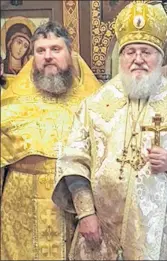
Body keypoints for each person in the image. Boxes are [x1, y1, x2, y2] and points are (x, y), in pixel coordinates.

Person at [51, 2, 167, 260]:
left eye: (146, 51)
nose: (138, 59)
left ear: (160, 58)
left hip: (157, 230)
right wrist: (85, 213)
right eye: (130, 52)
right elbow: (73, 159)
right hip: (101, 224)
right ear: (121, 57)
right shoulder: (93, 105)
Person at [0, 21, 102, 260]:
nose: (48, 56)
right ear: (32, 57)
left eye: (55, 49)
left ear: (70, 53)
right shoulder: (13, 101)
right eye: (40, 50)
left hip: (74, 209)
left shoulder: (93, 103)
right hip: (20, 211)